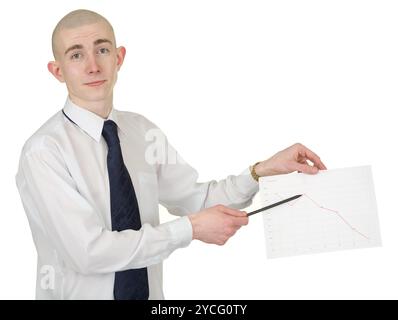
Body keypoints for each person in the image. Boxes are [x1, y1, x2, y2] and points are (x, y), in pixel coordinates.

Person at [15, 9, 327, 300]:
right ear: (57, 71)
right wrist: (189, 229)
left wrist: (261, 171)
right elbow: (88, 252)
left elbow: (197, 201)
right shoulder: (43, 152)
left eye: (102, 49)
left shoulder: (141, 131)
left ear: (119, 57)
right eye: (76, 54)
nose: (93, 65)